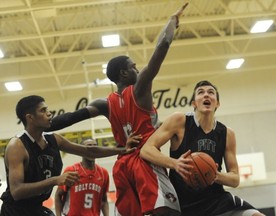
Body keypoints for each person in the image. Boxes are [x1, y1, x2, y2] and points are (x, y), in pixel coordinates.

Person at [46, 3, 189, 216]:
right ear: (123, 74)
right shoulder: (140, 89)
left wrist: (44, 126)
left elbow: (71, 117)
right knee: (167, 211)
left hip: (122, 164)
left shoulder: (104, 104)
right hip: (144, 159)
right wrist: (171, 22)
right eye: (133, 66)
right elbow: (162, 47)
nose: (137, 69)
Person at [140, 80, 265, 216]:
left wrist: (215, 175)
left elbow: (235, 179)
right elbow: (146, 150)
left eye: (211, 92)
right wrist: (176, 164)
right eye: (201, 92)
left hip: (216, 200)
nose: (206, 95)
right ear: (194, 103)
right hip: (183, 202)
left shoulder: (227, 133)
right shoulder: (180, 121)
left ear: (217, 103)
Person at [0, 95, 135, 216]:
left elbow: (89, 151)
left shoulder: (53, 139)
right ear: (30, 117)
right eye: (43, 110)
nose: (49, 114)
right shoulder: (17, 146)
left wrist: (122, 149)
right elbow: (16, 191)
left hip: (36, 208)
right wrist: (55, 180)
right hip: (15, 211)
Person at [54, 138, 110, 216]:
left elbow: (104, 200)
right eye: (89, 146)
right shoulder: (71, 170)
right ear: (81, 150)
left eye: (95, 146)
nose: (93, 150)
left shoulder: (103, 173)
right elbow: (58, 195)